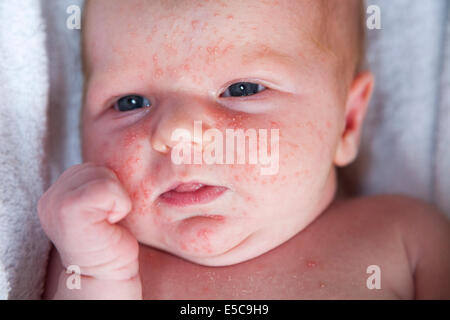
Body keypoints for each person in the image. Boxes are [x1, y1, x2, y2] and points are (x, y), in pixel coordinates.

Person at [38, 0, 450, 299]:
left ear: (347, 121)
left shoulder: (404, 239)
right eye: (130, 102)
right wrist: (97, 277)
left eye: (243, 90)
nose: (178, 132)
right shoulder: (92, 259)